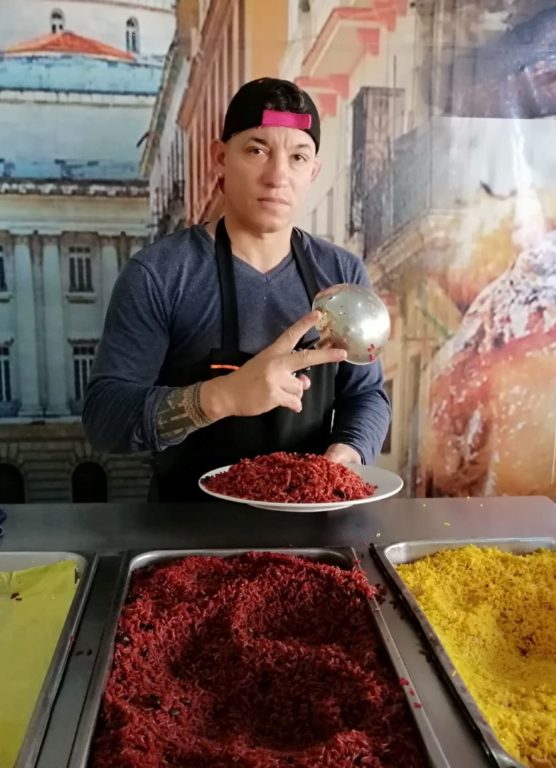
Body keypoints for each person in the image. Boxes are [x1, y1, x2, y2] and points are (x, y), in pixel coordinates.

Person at [81, 77, 391, 501]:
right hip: (187, 527)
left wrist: (349, 452)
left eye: (298, 157)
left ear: (313, 171)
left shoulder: (341, 273)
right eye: (257, 150)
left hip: (311, 523)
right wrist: (221, 397)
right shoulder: (159, 275)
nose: (277, 176)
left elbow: (366, 394)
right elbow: (105, 419)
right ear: (220, 158)